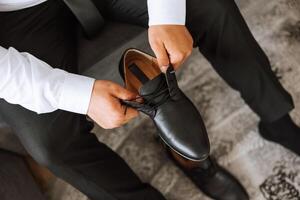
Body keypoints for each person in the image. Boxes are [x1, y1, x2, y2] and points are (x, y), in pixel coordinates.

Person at [0, 0, 299, 199]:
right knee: (50, 144)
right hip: (11, 21)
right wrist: (75, 95)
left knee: (211, 5)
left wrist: (166, 14)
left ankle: (277, 120)